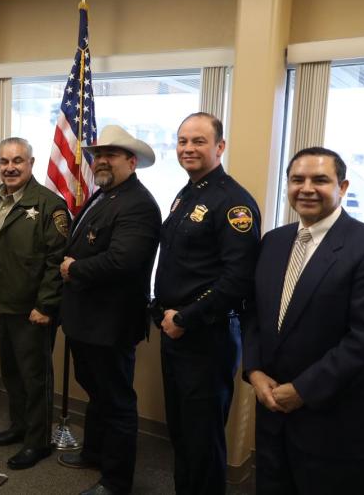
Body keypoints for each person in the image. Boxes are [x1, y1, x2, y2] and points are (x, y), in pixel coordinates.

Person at [243, 147, 364, 494]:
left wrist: (303, 390)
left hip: (334, 419)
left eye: (320, 180)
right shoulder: (273, 242)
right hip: (272, 409)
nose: (306, 188)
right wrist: (254, 371)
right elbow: (255, 313)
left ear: (343, 186)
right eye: (297, 179)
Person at [152, 112, 261, 495]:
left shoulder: (234, 204)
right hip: (176, 331)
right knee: (182, 434)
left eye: (198, 141)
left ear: (220, 146)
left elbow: (237, 280)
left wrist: (185, 316)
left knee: (202, 438)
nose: (188, 148)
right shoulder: (187, 193)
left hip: (206, 336)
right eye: (182, 141)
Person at [57, 125, 161, 495]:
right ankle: (95, 453)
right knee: (97, 393)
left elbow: (124, 262)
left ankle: (116, 482)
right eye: (98, 154)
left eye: (111, 155)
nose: (101, 160)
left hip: (110, 323)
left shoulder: (139, 204)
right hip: (87, 321)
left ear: (131, 162)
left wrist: (74, 269)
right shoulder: (104, 195)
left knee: (116, 401)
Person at [0, 137, 69, 470]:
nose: (10, 167)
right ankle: (19, 427)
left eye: (18, 160)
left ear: (31, 164)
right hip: (5, 301)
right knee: (12, 372)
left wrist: (46, 306)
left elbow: (56, 260)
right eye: (4, 161)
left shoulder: (49, 205)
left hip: (33, 309)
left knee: (35, 377)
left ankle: (38, 441)